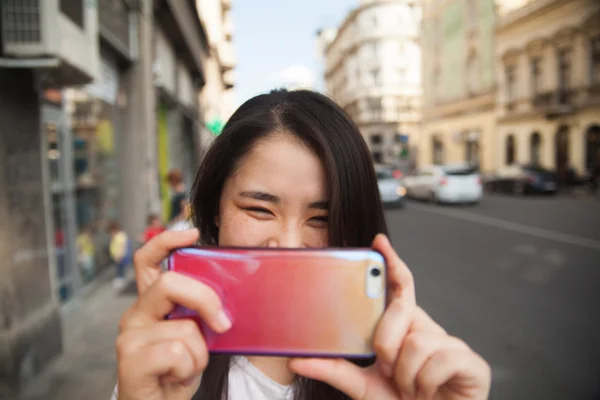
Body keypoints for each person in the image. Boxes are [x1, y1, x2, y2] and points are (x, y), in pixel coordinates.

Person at [113, 89, 491, 400]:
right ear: (215, 211)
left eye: (321, 219)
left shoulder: (399, 369)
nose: (289, 246)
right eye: (260, 209)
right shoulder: (165, 366)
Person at [108, 221, 132, 290]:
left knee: (120, 269)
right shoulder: (118, 236)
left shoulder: (120, 236)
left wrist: (119, 256)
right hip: (117, 256)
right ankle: (120, 279)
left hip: (120, 256)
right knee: (119, 268)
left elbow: (121, 246)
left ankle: (121, 280)